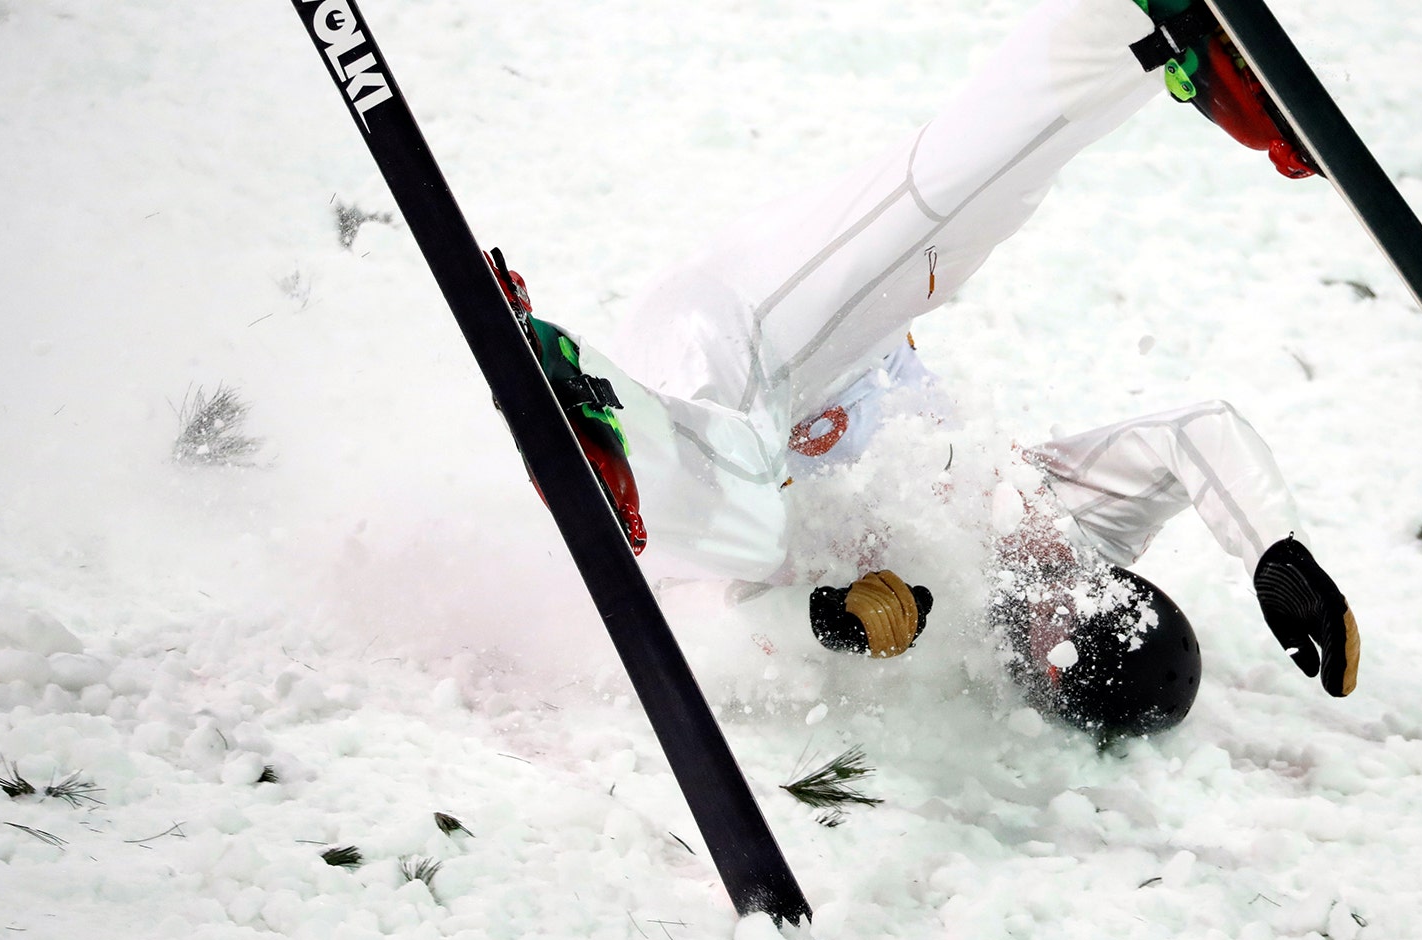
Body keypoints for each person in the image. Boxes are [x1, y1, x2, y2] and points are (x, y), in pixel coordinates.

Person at [495, 0, 1358, 738]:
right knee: (958, 210)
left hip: (700, 416)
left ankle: (590, 417)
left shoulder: (949, 653)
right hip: (802, 321)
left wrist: (824, 622)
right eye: (1091, 589)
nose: (1056, 590)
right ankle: (1138, 27)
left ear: (1046, 681)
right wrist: (1275, 549)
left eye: (1062, 631)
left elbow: (704, 635)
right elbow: (1193, 436)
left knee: (749, 527)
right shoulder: (1077, 525)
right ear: (1117, 576)